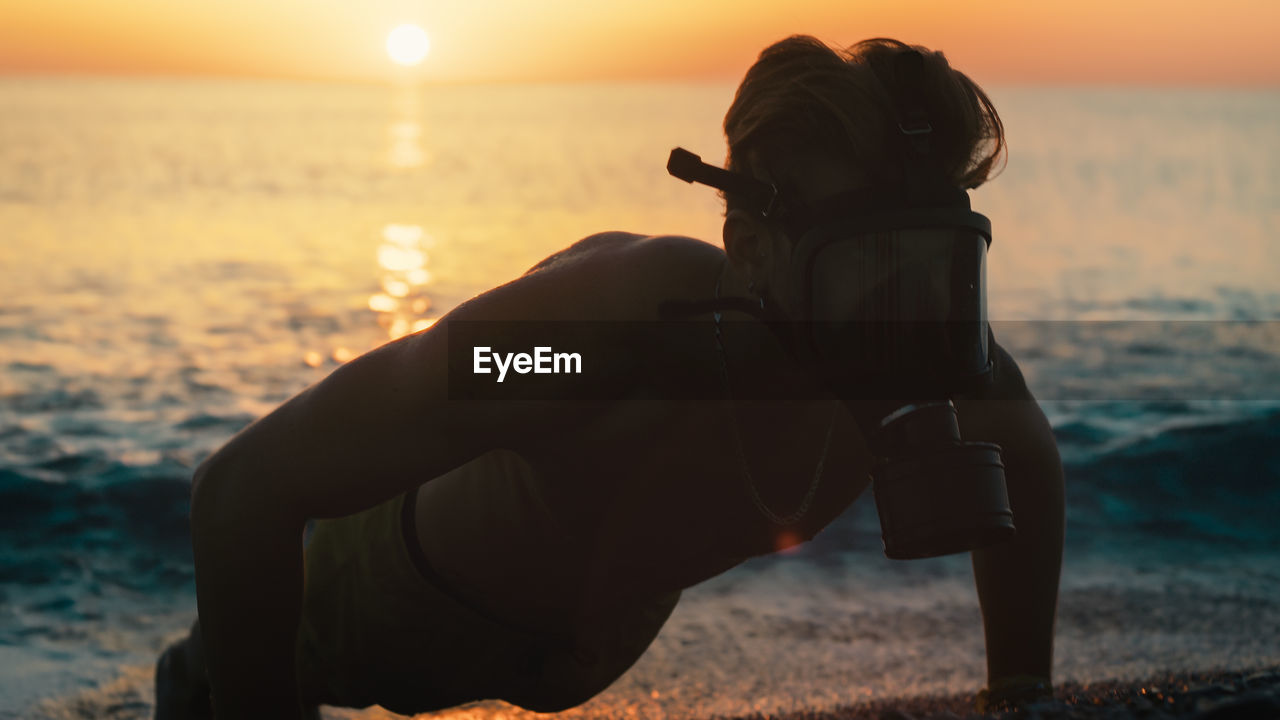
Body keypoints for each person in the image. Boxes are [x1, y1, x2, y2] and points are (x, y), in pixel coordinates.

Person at [156, 35, 1064, 720]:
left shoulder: (929, 347)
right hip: (395, 603)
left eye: (934, 264)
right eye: (861, 265)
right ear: (749, 250)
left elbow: (1026, 457)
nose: (899, 310)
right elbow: (239, 492)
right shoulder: (599, 339)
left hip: (588, 639)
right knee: (216, 683)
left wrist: (1021, 688)